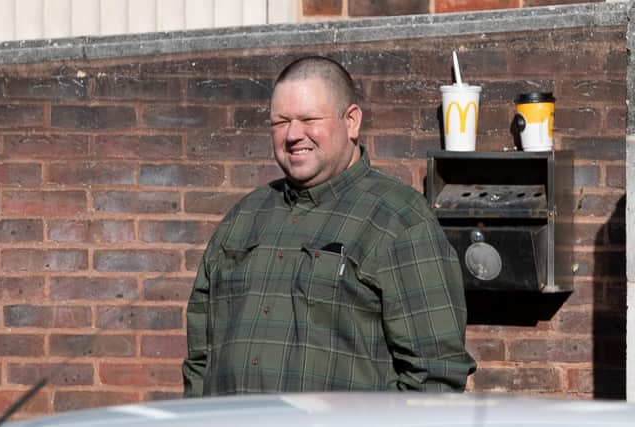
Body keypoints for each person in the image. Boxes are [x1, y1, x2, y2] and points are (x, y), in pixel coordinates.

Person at [183, 56, 476, 396]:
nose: (293, 134)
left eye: (309, 119)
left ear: (351, 121)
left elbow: (435, 376)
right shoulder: (244, 217)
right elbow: (200, 358)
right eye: (280, 122)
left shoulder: (400, 219)